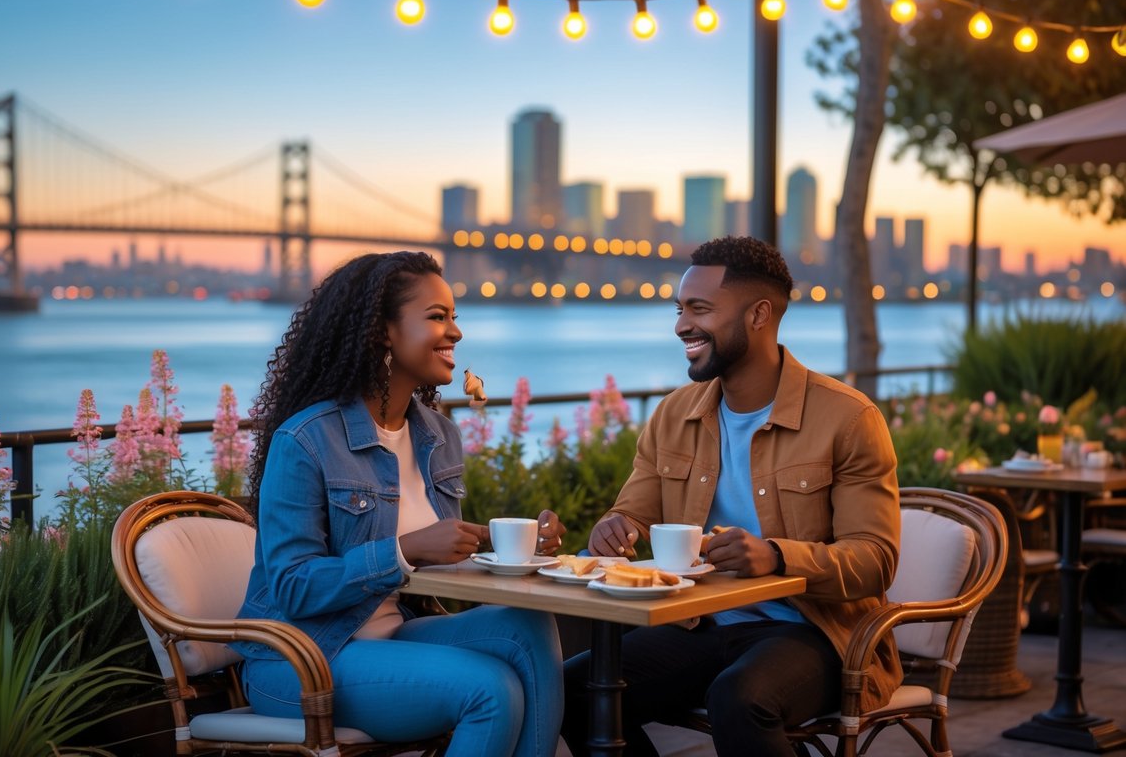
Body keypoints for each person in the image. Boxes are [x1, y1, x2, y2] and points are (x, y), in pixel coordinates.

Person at [561, 236, 902, 757]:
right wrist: (615, 528)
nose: (680, 325)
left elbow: (875, 561)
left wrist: (776, 556)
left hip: (815, 633)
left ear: (759, 315)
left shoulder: (848, 418)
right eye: (680, 309)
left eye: (699, 309)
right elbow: (633, 511)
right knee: (570, 690)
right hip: (698, 623)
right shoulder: (673, 415)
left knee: (740, 699)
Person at [233, 251, 566, 757]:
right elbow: (294, 586)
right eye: (437, 317)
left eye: (455, 317)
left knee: (529, 628)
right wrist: (405, 548)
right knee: (491, 689)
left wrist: (510, 545)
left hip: (394, 636)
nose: (455, 332)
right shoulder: (305, 440)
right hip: (300, 657)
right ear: (382, 331)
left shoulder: (438, 436)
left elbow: (438, 555)